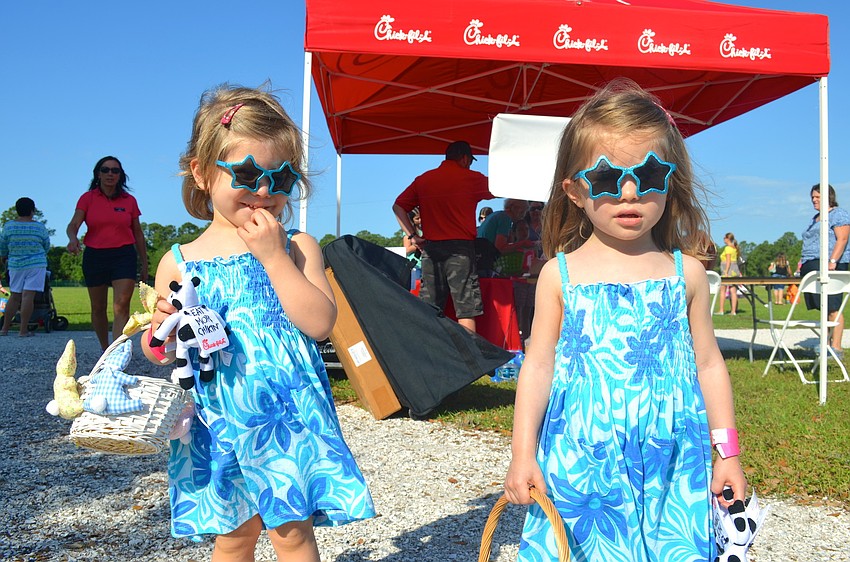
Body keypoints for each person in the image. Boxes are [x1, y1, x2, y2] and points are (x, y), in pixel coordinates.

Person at [503, 79, 746, 561]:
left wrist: (729, 454)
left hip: (672, 461)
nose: (630, 192)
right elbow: (538, 368)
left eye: (649, 174)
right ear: (574, 190)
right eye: (609, 178)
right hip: (581, 457)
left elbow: (709, 365)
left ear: (669, 180)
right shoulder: (560, 276)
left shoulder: (687, 274)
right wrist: (522, 452)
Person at [141, 85, 375, 561]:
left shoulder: (297, 246)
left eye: (283, 178)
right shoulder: (179, 261)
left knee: (291, 533)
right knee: (233, 537)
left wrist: (273, 257)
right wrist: (158, 334)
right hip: (216, 418)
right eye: (247, 175)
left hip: (284, 415)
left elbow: (320, 323)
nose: (265, 193)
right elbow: (161, 351)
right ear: (203, 173)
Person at [393, 140, 495, 333]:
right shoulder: (471, 178)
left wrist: (413, 236)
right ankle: (469, 359)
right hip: (461, 251)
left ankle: (429, 355)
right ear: (465, 159)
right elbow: (502, 187)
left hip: (431, 250)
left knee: (429, 307)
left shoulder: (424, 179)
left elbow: (398, 206)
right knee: (466, 309)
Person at [66, 156, 149, 350]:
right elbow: (73, 224)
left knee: (121, 306)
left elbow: (138, 233)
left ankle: (115, 352)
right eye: (105, 170)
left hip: (124, 255)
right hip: (95, 255)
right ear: (98, 174)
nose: (110, 174)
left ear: (121, 175)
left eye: (115, 170)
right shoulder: (88, 198)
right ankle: (105, 348)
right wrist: (72, 238)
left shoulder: (129, 201)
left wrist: (144, 263)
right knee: (98, 308)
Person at [799, 183, 850, 356]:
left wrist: (832, 260)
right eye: (812, 197)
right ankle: (825, 344)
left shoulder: (837, 214)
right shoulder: (816, 218)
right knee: (823, 307)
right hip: (811, 265)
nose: (814, 200)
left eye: (818, 197)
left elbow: (842, 238)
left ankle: (836, 347)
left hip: (830, 264)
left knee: (833, 306)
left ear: (828, 197)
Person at [0, 197, 51, 337]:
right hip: (36, 264)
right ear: (32, 210)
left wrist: (5, 257)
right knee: (28, 296)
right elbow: (46, 245)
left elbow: (3, 246)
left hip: (15, 264)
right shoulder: (39, 227)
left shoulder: (9, 226)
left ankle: (4, 328)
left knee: (15, 296)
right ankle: (23, 330)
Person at [716, 232, 741, 315]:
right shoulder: (734, 248)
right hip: (735, 270)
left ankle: (721, 310)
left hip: (728, 270)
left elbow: (728, 261)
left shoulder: (727, 248)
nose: (723, 239)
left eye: (724, 237)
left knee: (722, 290)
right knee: (733, 290)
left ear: (727, 239)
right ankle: (733, 311)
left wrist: (726, 271)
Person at [403, 207, 423, 289]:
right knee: (415, 288)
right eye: (417, 218)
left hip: (426, 265)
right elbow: (406, 250)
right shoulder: (408, 233)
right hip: (415, 265)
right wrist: (417, 244)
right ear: (412, 220)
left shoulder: (426, 230)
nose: (420, 220)